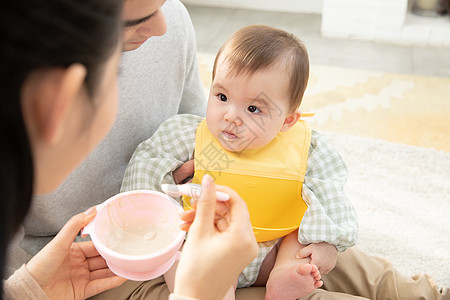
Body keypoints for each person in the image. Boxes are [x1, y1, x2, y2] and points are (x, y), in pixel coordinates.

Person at [1, 0, 258, 299]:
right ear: (58, 104)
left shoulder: (170, 22)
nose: (162, 26)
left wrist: (31, 290)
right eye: (115, 73)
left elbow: (198, 124)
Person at [121, 25, 358, 300]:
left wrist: (326, 243)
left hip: (274, 247)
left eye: (253, 109)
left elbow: (330, 196)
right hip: (206, 245)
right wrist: (166, 193)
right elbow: (145, 170)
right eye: (222, 97)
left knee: (300, 244)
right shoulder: (186, 135)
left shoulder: (307, 147)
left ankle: (285, 280)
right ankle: (212, 292)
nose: (231, 116)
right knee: (179, 252)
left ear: (288, 120)